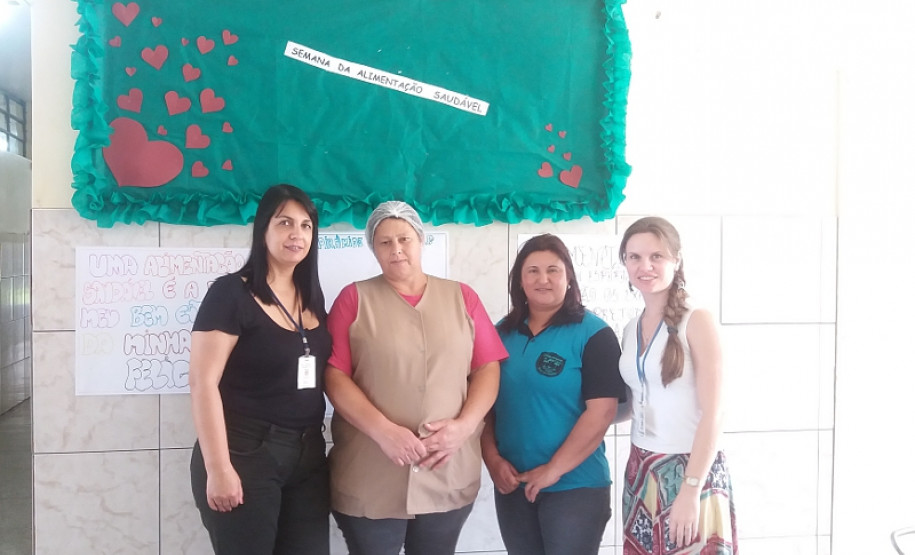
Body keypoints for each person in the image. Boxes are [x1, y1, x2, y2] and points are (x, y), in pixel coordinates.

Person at [324, 200, 507, 555]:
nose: (396, 250)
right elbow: (335, 376)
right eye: (385, 242)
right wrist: (383, 431)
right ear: (373, 249)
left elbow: (487, 367)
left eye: (404, 239)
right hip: (372, 469)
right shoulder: (353, 298)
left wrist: (465, 426)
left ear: (421, 240)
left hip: (446, 465)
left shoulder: (462, 297)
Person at [188, 184, 331, 555]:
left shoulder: (313, 297)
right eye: (285, 223)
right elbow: (203, 384)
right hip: (244, 452)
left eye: (305, 226)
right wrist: (219, 469)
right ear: (263, 229)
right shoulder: (230, 293)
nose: (296, 234)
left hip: (308, 455)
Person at [481, 233, 627, 555]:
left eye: (553, 270)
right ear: (519, 280)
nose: (542, 279)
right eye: (532, 270)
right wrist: (491, 460)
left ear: (569, 277)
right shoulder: (499, 333)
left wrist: (553, 470)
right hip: (513, 484)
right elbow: (485, 406)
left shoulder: (595, 334)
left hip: (575, 486)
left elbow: (601, 413)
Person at [618, 217, 738, 554]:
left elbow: (715, 414)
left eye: (657, 256)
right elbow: (636, 401)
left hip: (691, 470)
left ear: (676, 260)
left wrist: (690, 489)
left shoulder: (696, 319)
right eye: (634, 257)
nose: (645, 266)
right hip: (642, 467)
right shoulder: (630, 328)